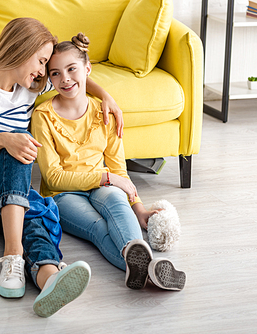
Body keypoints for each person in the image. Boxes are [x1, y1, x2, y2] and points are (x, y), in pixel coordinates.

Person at [0, 18, 124, 317]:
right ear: (20, 49)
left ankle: (49, 278)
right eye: (41, 61)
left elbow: (67, 80)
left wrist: (105, 95)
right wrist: (6, 139)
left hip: (7, 205)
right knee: (18, 146)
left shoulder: (29, 90)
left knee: (33, 215)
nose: (43, 71)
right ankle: (12, 257)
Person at [31, 33, 186, 292]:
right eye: (55, 73)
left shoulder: (106, 112)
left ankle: (145, 268)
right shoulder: (42, 117)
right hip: (63, 194)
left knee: (115, 200)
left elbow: (117, 169)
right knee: (97, 228)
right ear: (49, 78)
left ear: (87, 69)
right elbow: (53, 177)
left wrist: (138, 207)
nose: (65, 79)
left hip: (103, 185)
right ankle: (152, 270)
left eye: (72, 69)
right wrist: (105, 179)